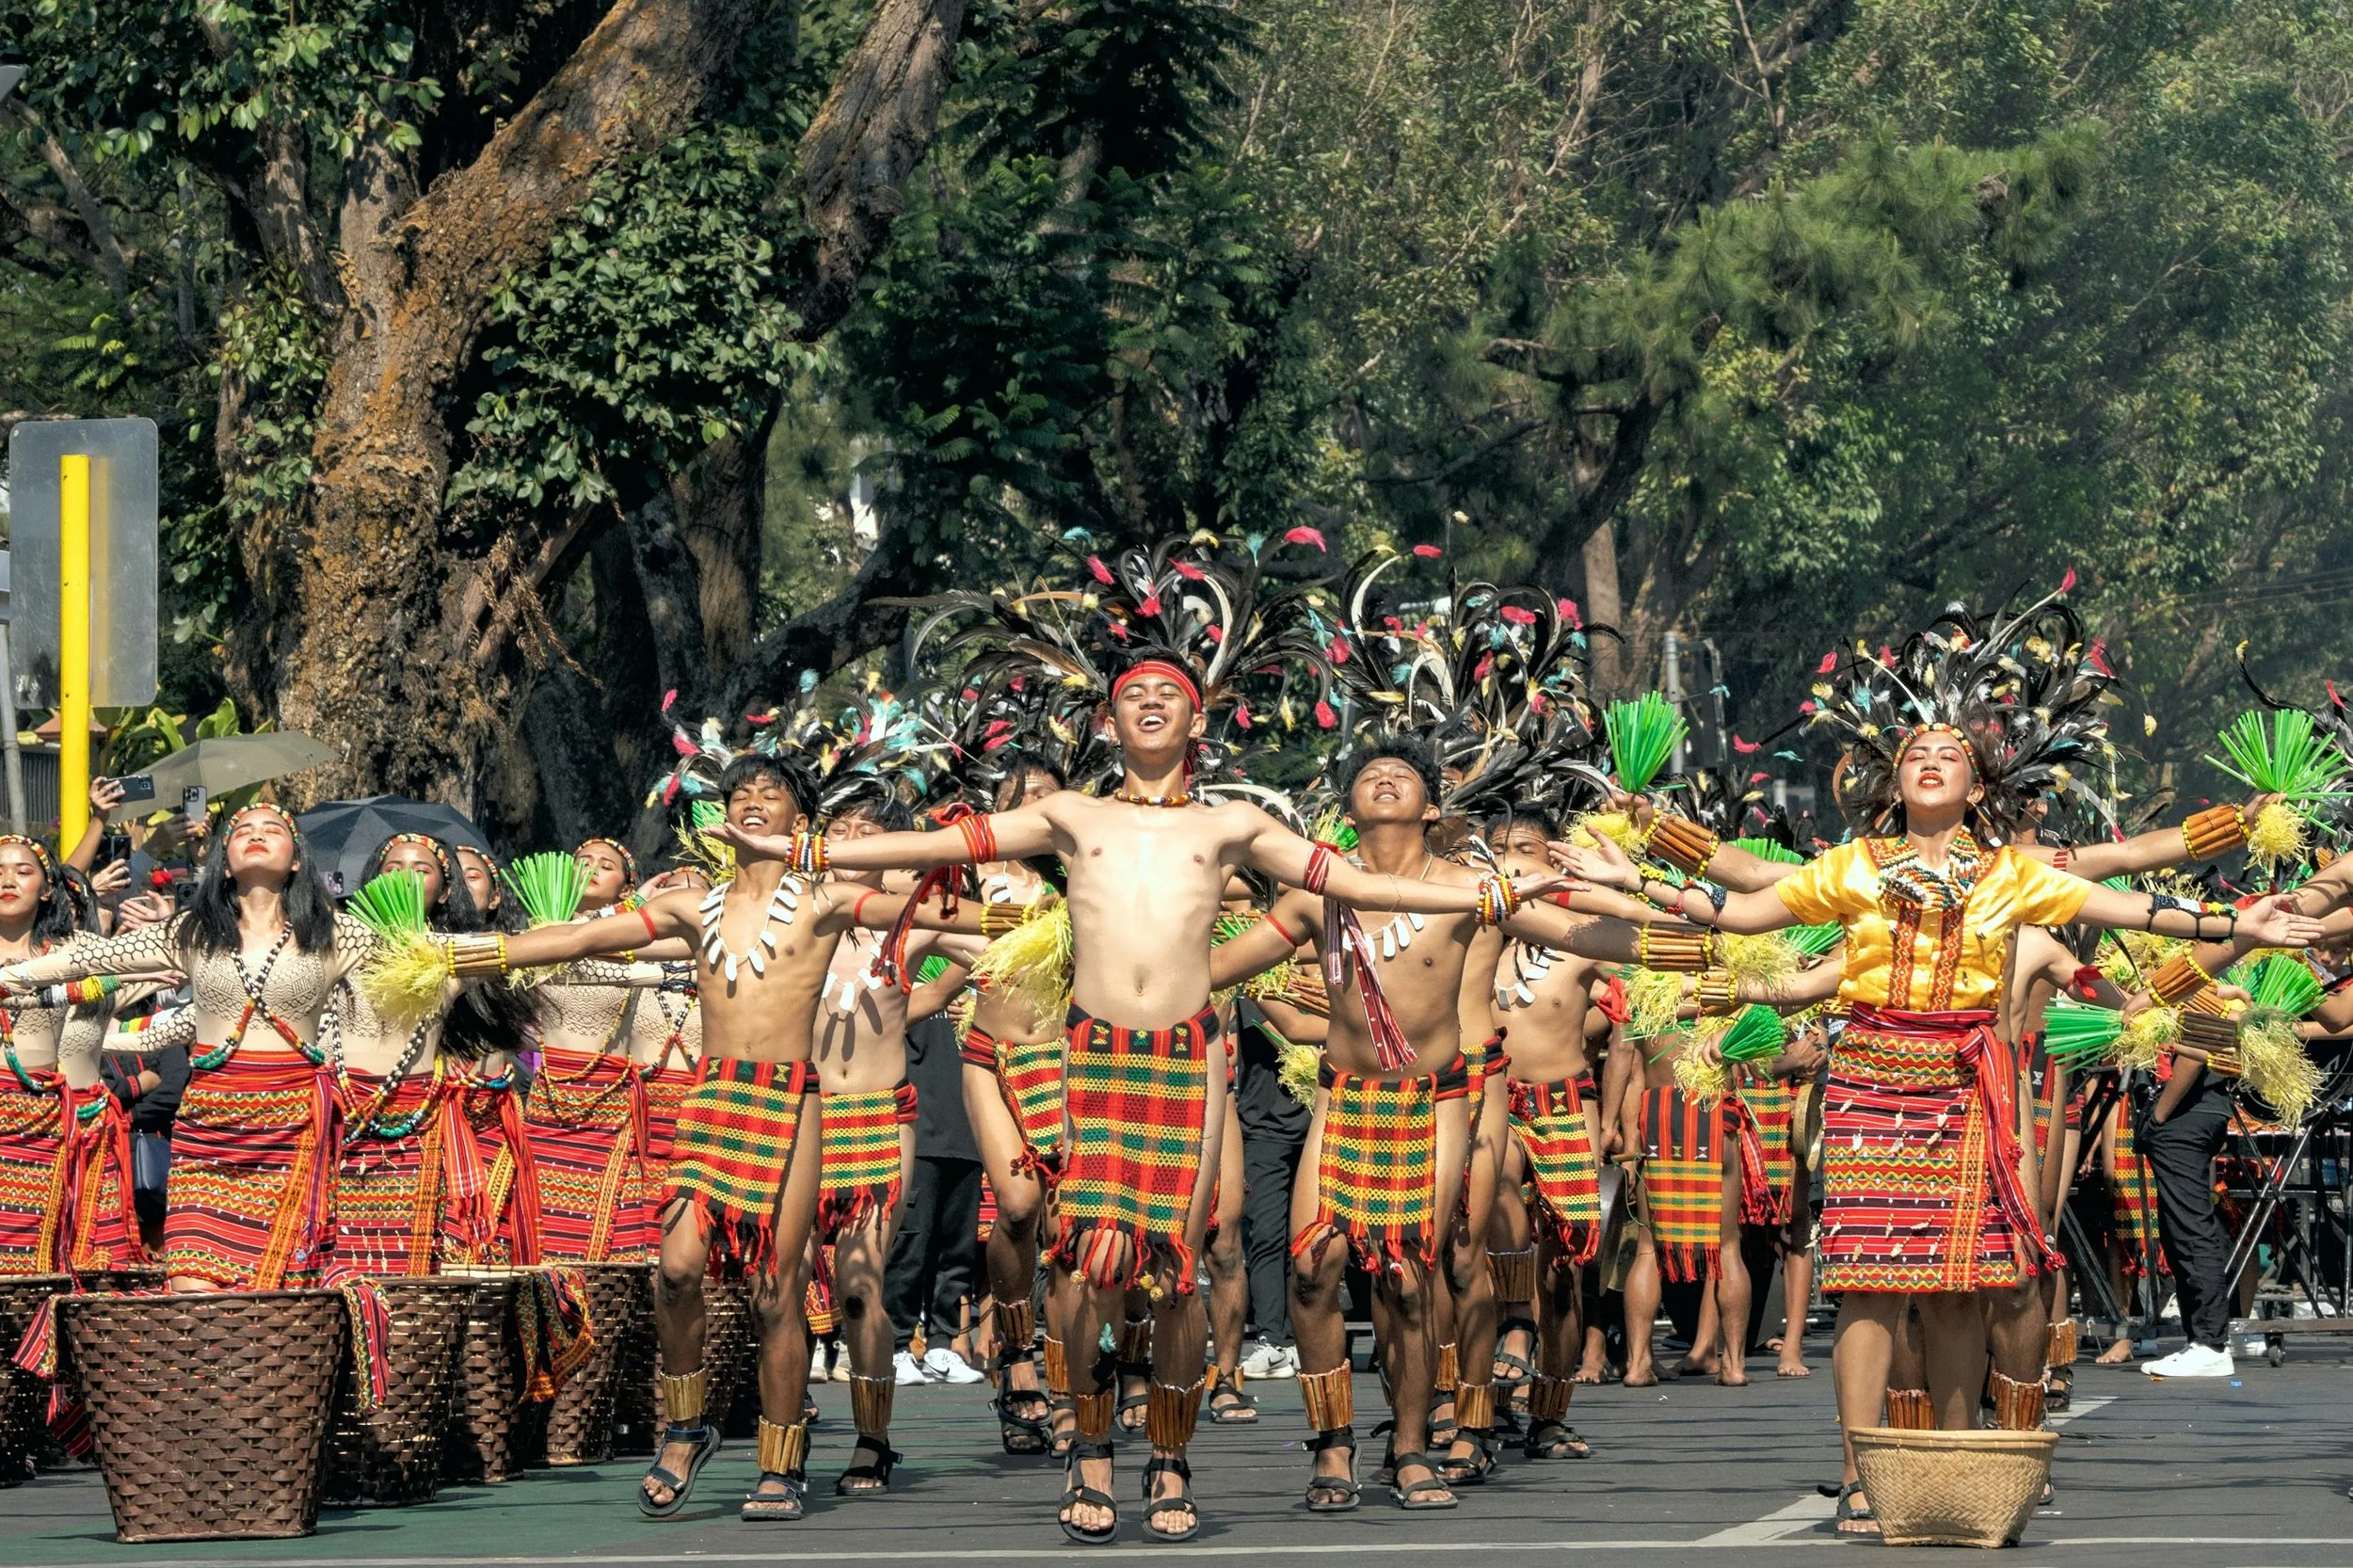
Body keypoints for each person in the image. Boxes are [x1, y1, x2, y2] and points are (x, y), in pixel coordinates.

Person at [720, 607, 1569, 1543]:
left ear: (1198, 723)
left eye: (1171, 693)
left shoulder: (1232, 823)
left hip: (1185, 1059)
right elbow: (941, 847)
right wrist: (812, 851)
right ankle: (1091, 1454)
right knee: (1079, 1273)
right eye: (1134, 695)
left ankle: (1168, 1458)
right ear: (1109, 723)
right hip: (1096, 1057)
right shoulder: (1070, 815)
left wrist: (1479, 892)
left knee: (1172, 1281)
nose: (1152, 702)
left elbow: (1351, 884)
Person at [1561, 600, 2323, 1537]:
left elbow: (2125, 875)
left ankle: (1962, 1461)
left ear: (1974, 784)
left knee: (1964, 1281)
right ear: (1895, 778)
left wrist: (2234, 892)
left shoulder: (2013, 874)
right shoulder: (1852, 867)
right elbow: (1742, 904)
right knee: (1871, 1282)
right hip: (1870, 1083)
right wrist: (1638, 855)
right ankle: (1861, 1468)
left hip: (1970, 1087)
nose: (1930, 757)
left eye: (1950, 752)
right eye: (1915, 750)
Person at [410, 748, 977, 1524]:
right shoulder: (692, 907)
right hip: (713, 1098)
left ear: (797, 821)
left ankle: (785, 1457)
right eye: (740, 792)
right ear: (721, 817)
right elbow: (580, 940)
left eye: (771, 793)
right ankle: (686, 1428)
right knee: (676, 1273)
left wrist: (1049, 914)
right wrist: (457, 954)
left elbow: (944, 919)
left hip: (795, 1102)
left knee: (777, 1293)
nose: (752, 800)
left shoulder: (827, 901)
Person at [1209, 736, 1671, 1513]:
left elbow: (1582, 933)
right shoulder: (1316, 892)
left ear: (1432, 806)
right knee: (1314, 1268)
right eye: (1367, 772)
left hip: (1437, 1099)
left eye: (1403, 775)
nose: (1383, 778)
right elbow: (1220, 968)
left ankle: (1412, 1445)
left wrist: (1693, 935)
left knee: (1411, 1280)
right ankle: (1331, 1447)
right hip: (1342, 1096)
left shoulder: (1472, 890)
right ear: (1347, 802)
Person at [1, 804, 377, 1291]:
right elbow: (98, 956)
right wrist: (16, 976)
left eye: (272, 830)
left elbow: (431, 957)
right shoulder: (193, 932)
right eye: (242, 830)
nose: (256, 835)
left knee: (286, 1296)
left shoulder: (338, 934)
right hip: (207, 1133)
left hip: (293, 1126)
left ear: (298, 859)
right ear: (223, 857)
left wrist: (501, 948)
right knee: (193, 1292)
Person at [883, 1009, 987, 1386]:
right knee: (910, 1247)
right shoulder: (910, 979)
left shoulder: (980, 990)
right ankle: (895, 1346)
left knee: (958, 1251)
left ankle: (943, 1344)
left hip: (969, 1131)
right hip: (919, 1132)